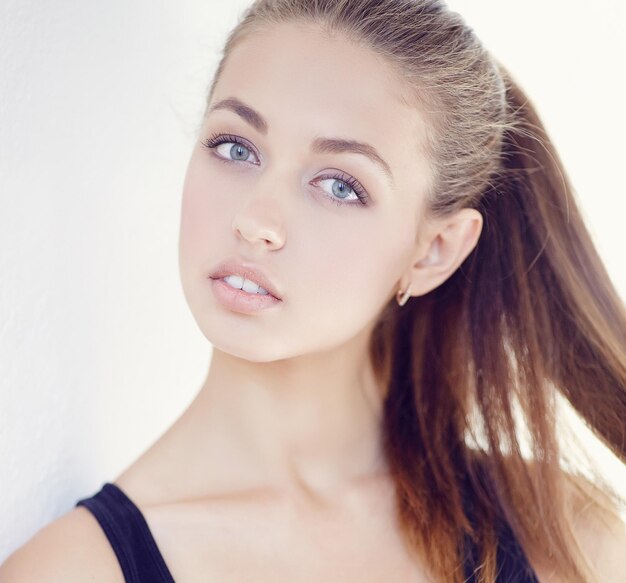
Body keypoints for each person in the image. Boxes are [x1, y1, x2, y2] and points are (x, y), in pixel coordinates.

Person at [2, 1, 625, 581]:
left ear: (434, 251)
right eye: (235, 147)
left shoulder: (566, 535)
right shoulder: (72, 569)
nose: (257, 221)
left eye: (339, 186)